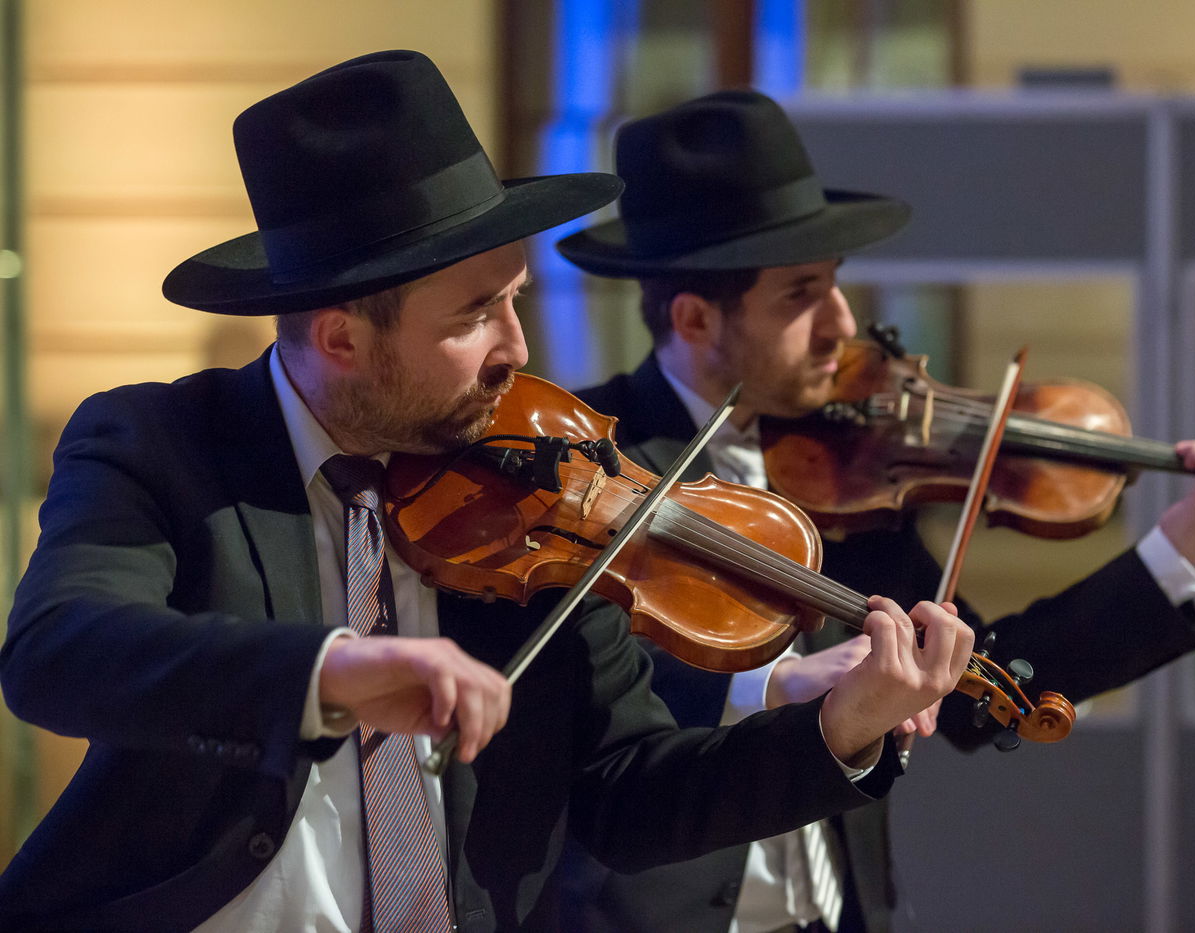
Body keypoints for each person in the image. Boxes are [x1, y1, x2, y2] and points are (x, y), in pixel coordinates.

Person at [0, 54, 976, 933]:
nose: (517, 349)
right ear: (342, 337)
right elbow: (58, 652)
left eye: (514, 299)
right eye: (475, 314)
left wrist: (837, 729)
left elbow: (628, 796)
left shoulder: (534, 498)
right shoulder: (164, 444)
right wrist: (327, 673)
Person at [553, 89, 1195, 933]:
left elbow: (986, 686)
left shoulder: (842, 473)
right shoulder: (591, 466)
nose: (843, 324)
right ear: (694, 318)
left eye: (836, 287)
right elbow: (585, 713)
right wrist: (771, 685)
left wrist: (1179, 544)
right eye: (801, 296)